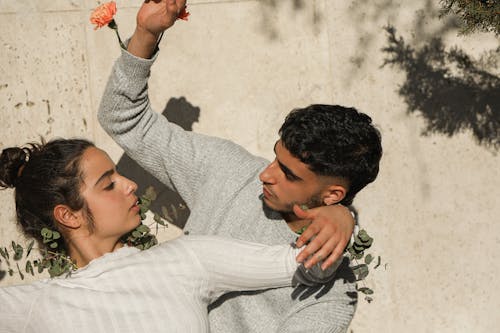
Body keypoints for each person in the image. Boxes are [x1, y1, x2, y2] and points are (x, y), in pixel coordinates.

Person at [98, 1, 383, 331]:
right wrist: (147, 33)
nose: (265, 174)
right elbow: (123, 120)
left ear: (333, 194)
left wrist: (347, 218)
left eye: (288, 174)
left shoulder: (331, 294)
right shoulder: (230, 172)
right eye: (276, 158)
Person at [0, 138, 330, 333]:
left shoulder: (186, 259)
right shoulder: (38, 305)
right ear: (68, 215)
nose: (129, 184)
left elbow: (304, 264)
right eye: (109, 183)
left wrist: (338, 217)